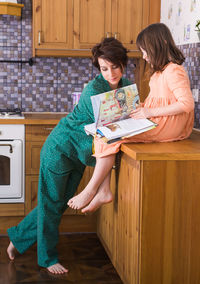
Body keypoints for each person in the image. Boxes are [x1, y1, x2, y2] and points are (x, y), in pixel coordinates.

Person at [6, 37, 131, 274]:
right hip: (59, 150)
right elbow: (110, 128)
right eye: (104, 68)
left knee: (56, 204)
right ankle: (47, 258)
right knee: (52, 205)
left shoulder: (124, 86)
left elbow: (124, 120)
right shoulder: (94, 91)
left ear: (123, 64)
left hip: (77, 153)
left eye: (115, 66)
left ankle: (17, 238)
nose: (110, 73)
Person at [67, 23, 194, 214]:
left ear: (161, 44)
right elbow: (157, 102)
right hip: (160, 120)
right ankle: (102, 191)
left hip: (169, 125)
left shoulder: (174, 71)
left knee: (108, 135)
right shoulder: (160, 73)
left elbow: (187, 104)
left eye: (145, 51)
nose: (143, 56)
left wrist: (148, 113)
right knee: (104, 131)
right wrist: (138, 108)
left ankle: (93, 190)